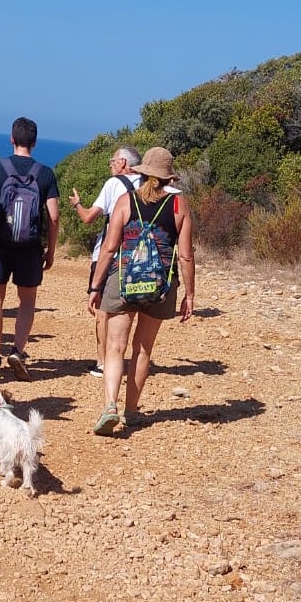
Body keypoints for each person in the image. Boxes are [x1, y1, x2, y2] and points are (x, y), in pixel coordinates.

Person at [87, 147, 195, 435]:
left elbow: (109, 248)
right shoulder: (178, 205)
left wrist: (96, 286)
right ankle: (131, 411)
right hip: (160, 286)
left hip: (123, 281)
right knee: (143, 348)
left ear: (143, 172)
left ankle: (110, 404)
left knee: (114, 347)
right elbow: (185, 255)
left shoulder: (126, 200)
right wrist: (190, 294)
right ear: (168, 177)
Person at [0, 117, 60, 381]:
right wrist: (50, 250)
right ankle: (17, 350)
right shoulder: (45, 173)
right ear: (34, 142)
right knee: (27, 302)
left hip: (0, 247)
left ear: (11, 139)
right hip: (30, 247)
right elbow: (54, 216)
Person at [68, 146, 142, 378]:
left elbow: (89, 217)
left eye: (113, 160)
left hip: (109, 254)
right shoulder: (149, 183)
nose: (110, 164)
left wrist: (77, 204)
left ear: (123, 163)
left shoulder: (113, 184)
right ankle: (120, 357)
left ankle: (102, 362)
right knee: (127, 309)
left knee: (101, 309)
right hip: (138, 256)